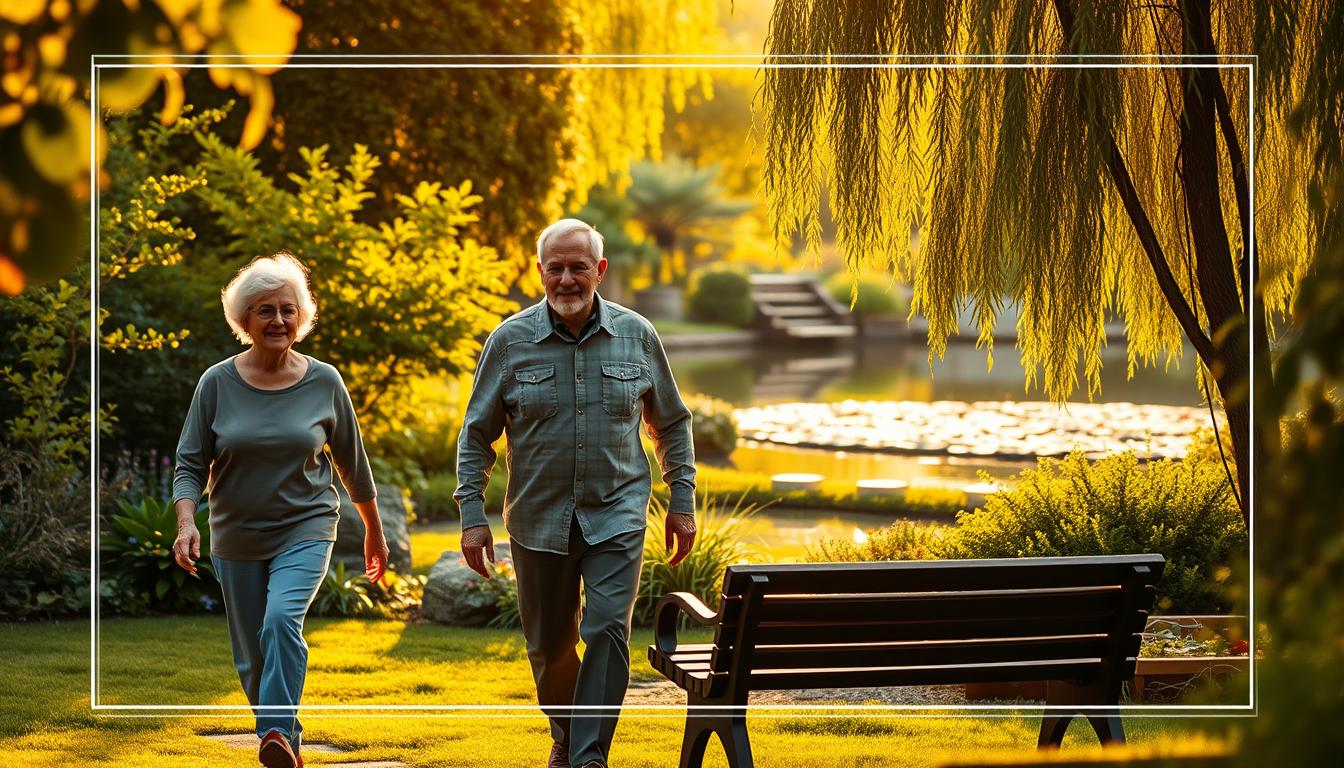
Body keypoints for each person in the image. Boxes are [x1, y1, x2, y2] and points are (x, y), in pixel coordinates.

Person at [456, 218, 698, 768]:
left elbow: (673, 424)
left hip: (618, 514)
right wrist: (472, 513)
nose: (567, 280)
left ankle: (588, 755)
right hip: (538, 520)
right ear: (540, 271)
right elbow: (476, 435)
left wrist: (680, 501)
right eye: (556, 268)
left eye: (578, 267)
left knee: (608, 630)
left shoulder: (637, 335)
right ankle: (566, 734)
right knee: (550, 649)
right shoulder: (509, 341)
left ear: (600, 271)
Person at [170, 251, 389, 768]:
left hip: (306, 525)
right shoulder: (216, 383)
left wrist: (373, 533)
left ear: (302, 316)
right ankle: (286, 738)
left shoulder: (325, 381)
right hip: (236, 534)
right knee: (252, 658)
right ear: (244, 320)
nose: (278, 320)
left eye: (288, 309)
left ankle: (272, 732)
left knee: (280, 621)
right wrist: (185, 523)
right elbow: (188, 463)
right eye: (265, 310)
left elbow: (353, 465)